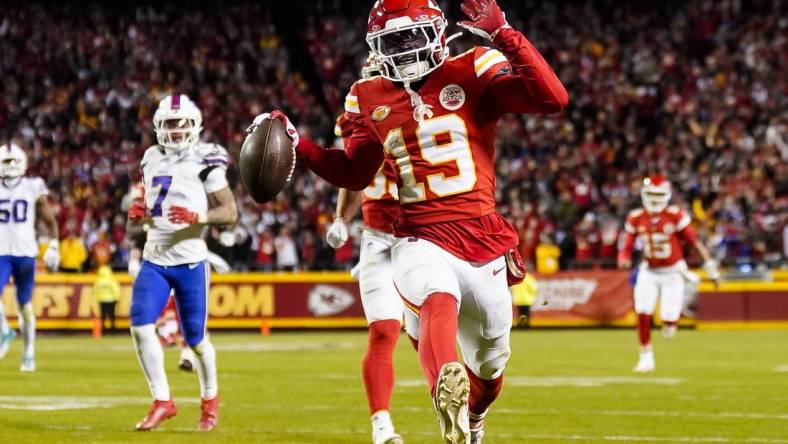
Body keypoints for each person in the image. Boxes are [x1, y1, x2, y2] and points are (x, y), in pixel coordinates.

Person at [253, 0, 567, 441]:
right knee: (436, 295)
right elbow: (355, 172)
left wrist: (504, 34)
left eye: (408, 38)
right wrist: (299, 145)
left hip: (482, 234)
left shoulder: (473, 67)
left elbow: (553, 99)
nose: (401, 50)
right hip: (417, 234)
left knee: (492, 364)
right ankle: (445, 389)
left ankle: (473, 414)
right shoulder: (369, 94)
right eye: (391, 42)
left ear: (437, 34)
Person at [127, 94, 237, 431]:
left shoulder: (207, 158)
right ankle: (163, 400)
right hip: (155, 258)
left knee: (197, 341)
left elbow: (229, 213)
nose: (176, 130)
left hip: (190, 262)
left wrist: (199, 215)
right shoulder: (149, 157)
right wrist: (139, 213)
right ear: (159, 126)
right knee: (141, 326)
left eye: (181, 123)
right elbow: (150, 206)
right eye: (170, 124)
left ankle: (210, 401)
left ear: (194, 125)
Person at [325, 87, 419, 443]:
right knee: (383, 331)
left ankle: (459, 411)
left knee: (425, 336)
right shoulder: (360, 121)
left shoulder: (421, 114)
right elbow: (353, 175)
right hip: (378, 240)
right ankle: (381, 425)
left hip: (421, 239)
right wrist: (340, 218)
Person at [618, 175, 720, 372]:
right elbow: (628, 244)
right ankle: (646, 357)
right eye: (651, 194)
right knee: (643, 312)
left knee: (669, 321)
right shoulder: (636, 217)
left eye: (658, 194)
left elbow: (694, 242)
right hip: (649, 270)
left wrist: (710, 267)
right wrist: (623, 256)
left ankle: (671, 323)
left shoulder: (675, 215)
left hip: (673, 272)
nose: (655, 199)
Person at [0, 143, 60, 372]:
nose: (12, 166)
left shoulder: (32, 186)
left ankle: (28, 353)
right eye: (7, 162)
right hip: (2, 250)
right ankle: (4, 330)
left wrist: (54, 245)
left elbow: (50, 220)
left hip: (26, 251)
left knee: (25, 306)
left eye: (14, 161)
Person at [93, 265, 121, 333]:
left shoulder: (98, 281)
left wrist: (97, 298)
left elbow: (95, 291)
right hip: (111, 300)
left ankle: (103, 329)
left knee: (103, 315)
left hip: (102, 300)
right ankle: (112, 328)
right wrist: (117, 298)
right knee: (112, 315)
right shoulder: (111, 280)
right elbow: (116, 289)